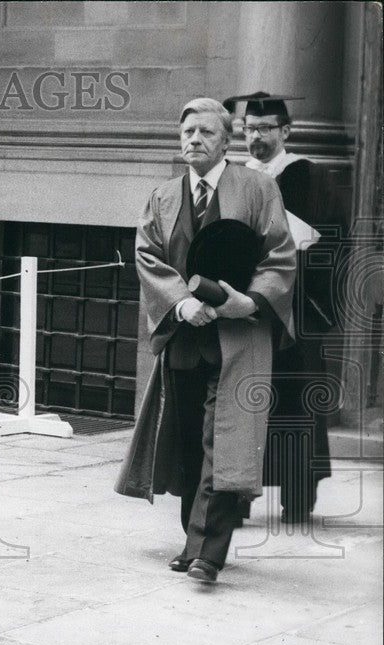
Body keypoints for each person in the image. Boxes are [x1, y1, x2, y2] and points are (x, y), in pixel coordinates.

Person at [116, 97, 295, 584]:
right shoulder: (163, 197)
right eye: (188, 132)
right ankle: (191, 540)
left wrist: (252, 301)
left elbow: (280, 253)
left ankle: (207, 552)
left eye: (206, 133)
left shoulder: (258, 189)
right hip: (186, 338)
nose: (194, 140)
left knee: (227, 439)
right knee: (190, 443)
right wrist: (179, 302)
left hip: (239, 337)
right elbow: (148, 257)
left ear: (227, 140)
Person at [225, 91, 335, 524]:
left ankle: (297, 499)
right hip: (251, 305)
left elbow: (317, 239)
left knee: (295, 401)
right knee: (246, 402)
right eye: (250, 129)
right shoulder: (235, 176)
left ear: (285, 131)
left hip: (298, 306)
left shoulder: (306, 176)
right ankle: (237, 496)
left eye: (265, 129)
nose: (256, 137)